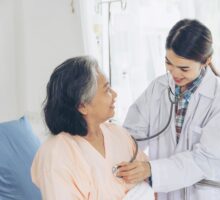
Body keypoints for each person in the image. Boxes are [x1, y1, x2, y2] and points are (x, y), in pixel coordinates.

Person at [117, 19, 220, 200]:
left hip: (205, 194)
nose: (174, 73)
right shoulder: (158, 88)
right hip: (168, 193)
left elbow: (207, 159)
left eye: (184, 68)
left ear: (206, 61)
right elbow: (133, 135)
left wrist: (152, 170)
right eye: (169, 63)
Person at [31, 56, 154, 200]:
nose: (115, 95)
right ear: (82, 106)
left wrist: (148, 170)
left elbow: (149, 176)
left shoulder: (118, 134)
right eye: (107, 89)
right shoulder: (56, 154)